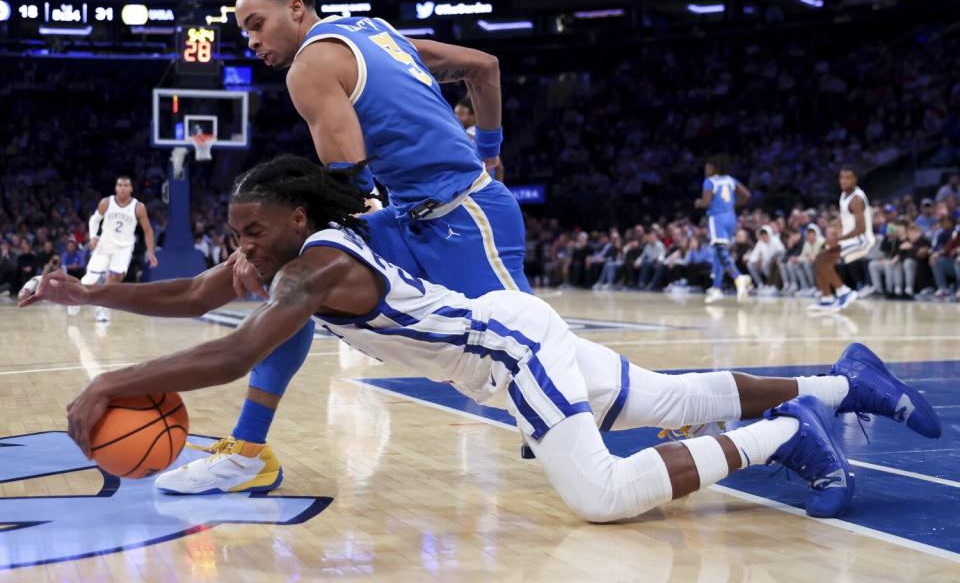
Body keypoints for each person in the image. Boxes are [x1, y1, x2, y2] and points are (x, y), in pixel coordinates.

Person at [21, 156, 941, 522]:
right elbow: (193, 295)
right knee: (671, 400)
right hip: (505, 342)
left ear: (298, 218)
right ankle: (841, 380)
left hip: (509, 354)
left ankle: (788, 435)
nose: (241, 248)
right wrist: (80, 291)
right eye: (238, 233)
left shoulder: (318, 267)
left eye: (253, 231)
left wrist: (108, 386)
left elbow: (228, 355)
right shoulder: (292, 258)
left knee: (604, 497)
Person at [168, 0, 571, 495]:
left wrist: (270, 237)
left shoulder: (309, 65)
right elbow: (483, 66)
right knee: (298, 281)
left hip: (465, 215)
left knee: (547, 360)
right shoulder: (375, 31)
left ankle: (685, 408)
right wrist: (491, 149)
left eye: (256, 23)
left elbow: (350, 182)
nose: (251, 40)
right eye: (244, 30)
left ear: (296, 8)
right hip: (410, 217)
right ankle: (246, 452)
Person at [76, 176, 158, 322]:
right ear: (116, 188)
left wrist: (150, 251)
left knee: (114, 278)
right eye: (120, 185)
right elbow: (94, 220)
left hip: (124, 248)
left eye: (126, 185)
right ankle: (75, 298)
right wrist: (93, 237)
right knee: (91, 278)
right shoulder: (106, 202)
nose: (122, 188)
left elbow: (148, 230)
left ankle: (101, 308)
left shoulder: (138, 207)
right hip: (105, 245)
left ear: (131, 189)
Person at [809, 167, 875, 311]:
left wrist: (839, 238)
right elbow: (846, 220)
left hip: (861, 240)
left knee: (825, 261)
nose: (843, 181)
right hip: (849, 239)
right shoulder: (844, 195)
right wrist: (836, 230)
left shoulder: (856, 199)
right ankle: (826, 298)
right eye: (841, 177)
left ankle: (844, 292)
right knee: (820, 259)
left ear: (855, 180)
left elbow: (861, 228)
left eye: (847, 178)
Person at [694, 156, 752, 304]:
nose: (706, 171)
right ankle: (717, 288)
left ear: (714, 168)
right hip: (731, 218)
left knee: (719, 250)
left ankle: (738, 277)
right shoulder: (730, 180)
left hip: (717, 218)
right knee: (717, 252)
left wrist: (698, 203)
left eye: (708, 168)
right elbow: (746, 195)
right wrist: (733, 204)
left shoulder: (709, 182)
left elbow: (707, 203)